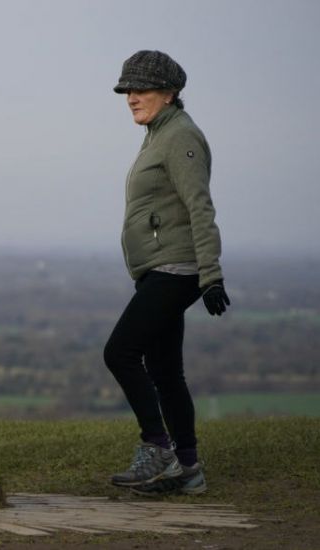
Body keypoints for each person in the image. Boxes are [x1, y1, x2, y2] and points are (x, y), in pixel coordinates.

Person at [104, 50, 230, 496]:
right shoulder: (157, 134)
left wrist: (210, 276)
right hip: (159, 268)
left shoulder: (180, 138)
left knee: (119, 352)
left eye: (140, 89)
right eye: (127, 90)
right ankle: (188, 470)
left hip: (177, 269)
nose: (131, 97)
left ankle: (157, 446)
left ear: (169, 93)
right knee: (165, 372)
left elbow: (200, 206)